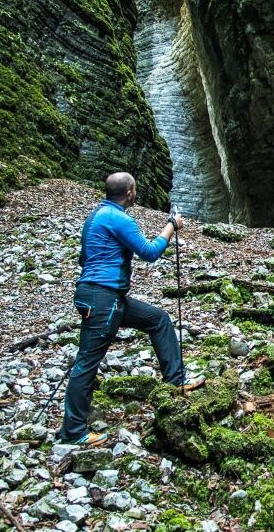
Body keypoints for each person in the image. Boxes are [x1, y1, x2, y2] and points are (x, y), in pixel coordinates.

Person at [59, 172, 204, 446]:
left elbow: (83, 258)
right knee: (87, 363)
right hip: (104, 300)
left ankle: (176, 380)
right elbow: (149, 252)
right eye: (135, 189)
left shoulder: (94, 217)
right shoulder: (119, 219)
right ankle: (74, 431)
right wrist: (171, 226)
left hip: (104, 297)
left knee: (158, 319)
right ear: (129, 193)